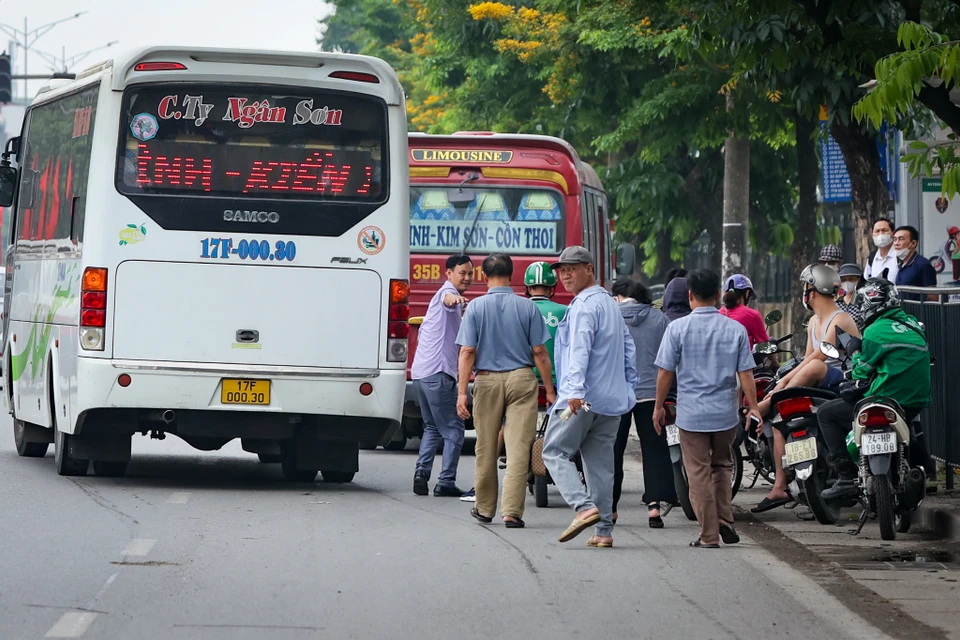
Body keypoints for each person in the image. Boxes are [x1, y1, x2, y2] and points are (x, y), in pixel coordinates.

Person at [654, 270, 761, 549]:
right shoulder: (735, 329)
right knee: (722, 466)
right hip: (725, 414)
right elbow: (747, 374)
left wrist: (658, 407)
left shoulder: (677, 329)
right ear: (717, 296)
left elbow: (665, 372)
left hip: (692, 415)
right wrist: (754, 407)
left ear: (690, 296)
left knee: (698, 472)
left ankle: (709, 535)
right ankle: (724, 519)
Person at [542, 246, 637, 548]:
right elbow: (629, 350)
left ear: (590, 269)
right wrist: (628, 389)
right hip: (611, 400)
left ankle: (584, 509)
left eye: (572, 268)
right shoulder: (609, 303)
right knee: (600, 465)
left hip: (581, 399)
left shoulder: (584, 305)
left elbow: (579, 350)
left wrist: (574, 391)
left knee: (553, 452)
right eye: (562, 270)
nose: (565, 274)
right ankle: (604, 531)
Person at [456, 253, 555, 528]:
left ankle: (485, 508)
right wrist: (549, 390)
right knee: (518, 448)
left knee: (486, 447)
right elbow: (539, 352)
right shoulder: (527, 308)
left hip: (486, 381)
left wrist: (462, 392)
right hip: (523, 380)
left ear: (484, 277)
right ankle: (511, 512)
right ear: (512, 276)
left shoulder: (475, 308)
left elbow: (467, 352)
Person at [752, 264, 861, 513]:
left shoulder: (841, 318)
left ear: (811, 292)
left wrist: (778, 389)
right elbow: (806, 358)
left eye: (805, 287)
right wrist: (780, 385)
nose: (804, 293)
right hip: (814, 381)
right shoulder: (814, 321)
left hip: (839, 382)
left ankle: (767, 403)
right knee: (782, 419)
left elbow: (817, 360)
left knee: (811, 370)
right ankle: (780, 484)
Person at [819, 279, 931, 499]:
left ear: (868, 304)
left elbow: (861, 372)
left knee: (825, 414)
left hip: (884, 397)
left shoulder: (874, 330)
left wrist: (855, 350)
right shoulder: (914, 326)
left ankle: (844, 476)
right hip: (915, 401)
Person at [611, 278, 675, 528]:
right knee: (655, 448)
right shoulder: (659, 319)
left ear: (618, 297)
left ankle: (611, 507)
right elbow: (669, 357)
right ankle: (654, 508)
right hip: (652, 393)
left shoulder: (609, 316)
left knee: (613, 449)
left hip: (617, 393)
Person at [411, 255, 474, 497]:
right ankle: (446, 481)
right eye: (462, 273)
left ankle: (421, 474)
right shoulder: (446, 294)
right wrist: (456, 299)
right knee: (455, 429)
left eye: (470, 273)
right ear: (449, 274)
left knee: (432, 428)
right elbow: (448, 300)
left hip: (420, 374)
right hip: (437, 373)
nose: (467, 278)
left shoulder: (451, 298)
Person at [523, 261, 567, 384]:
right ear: (552, 288)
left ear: (528, 288)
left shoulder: (518, 310)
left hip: (524, 380)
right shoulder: (565, 311)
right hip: (557, 381)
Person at [719, 274, 769, 347]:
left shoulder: (718, 313)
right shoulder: (752, 315)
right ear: (747, 293)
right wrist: (775, 358)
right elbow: (765, 345)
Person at [893, 225, 938, 302]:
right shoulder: (900, 265)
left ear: (913, 243)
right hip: (903, 312)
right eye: (895, 239)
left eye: (901, 239)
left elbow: (932, 297)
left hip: (918, 312)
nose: (896, 243)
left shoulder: (923, 264)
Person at [837, 263, 865, 330]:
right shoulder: (837, 303)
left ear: (859, 280)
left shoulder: (864, 302)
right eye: (843, 280)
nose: (847, 282)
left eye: (851, 279)